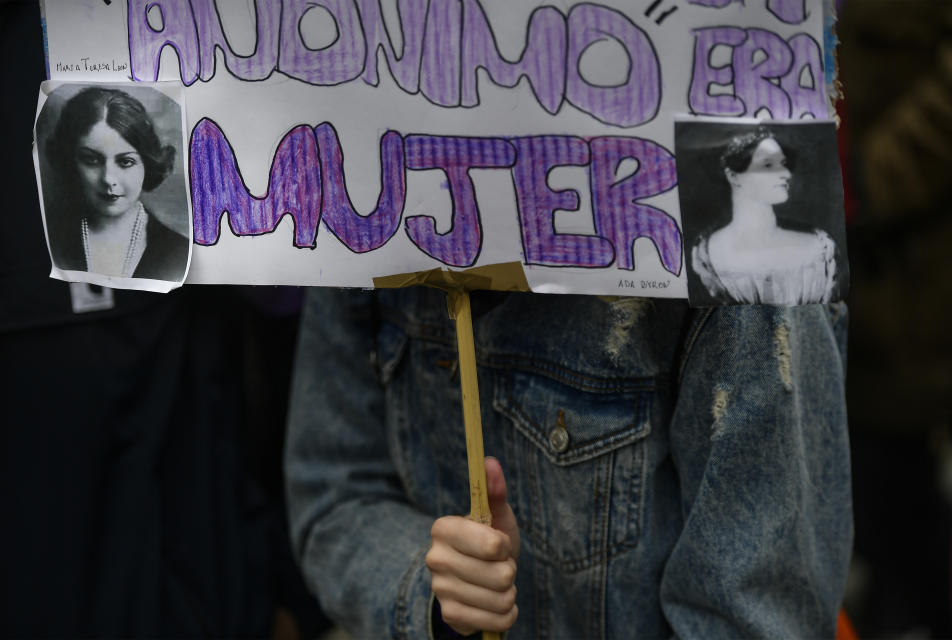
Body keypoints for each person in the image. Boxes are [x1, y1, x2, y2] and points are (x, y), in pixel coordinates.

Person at [285, 287, 853, 637]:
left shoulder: (734, 262)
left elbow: (756, 616)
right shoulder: (357, 207)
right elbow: (333, 493)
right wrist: (433, 595)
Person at [42, 86, 188, 281]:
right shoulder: (48, 241)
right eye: (91, 160)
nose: (108, 178)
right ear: (69, 161)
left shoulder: (179, 253)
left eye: (125, 162)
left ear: (147, 163)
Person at [690, 128, 838, 305]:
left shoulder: (819, 247)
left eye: (783, 163)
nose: (786, 174)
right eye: (768, 165)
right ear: (733, 176)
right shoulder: (705, 254)